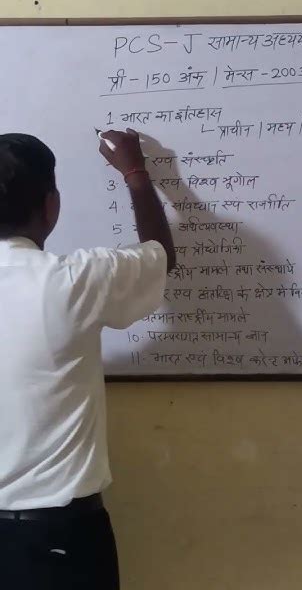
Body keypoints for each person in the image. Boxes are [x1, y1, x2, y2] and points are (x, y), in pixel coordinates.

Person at [0, 129, 176, 590]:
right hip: (56, 540)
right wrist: (135, 174)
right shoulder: (73, 280)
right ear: (51, 206)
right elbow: (160, 257)